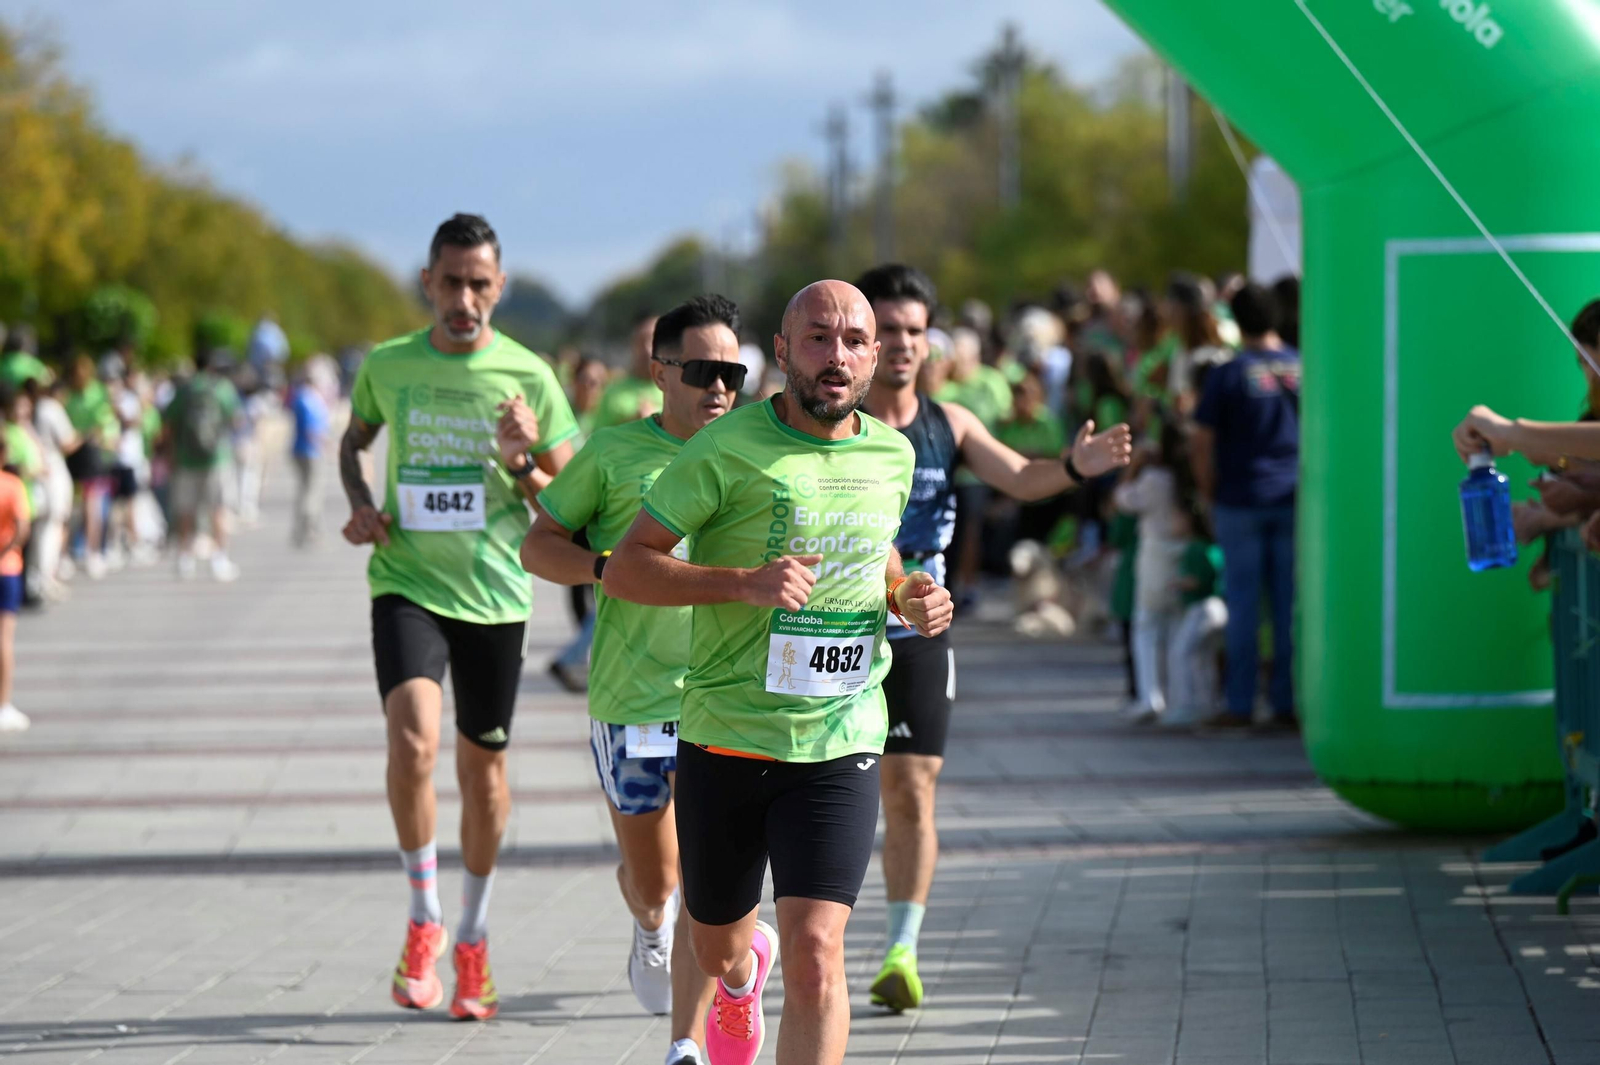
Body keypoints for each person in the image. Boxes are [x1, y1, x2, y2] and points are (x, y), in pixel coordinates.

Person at [604, 280, 954, 1065]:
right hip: (727, 735)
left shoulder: (891, 454)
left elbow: (878, 553)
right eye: (819, 338)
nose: (837, 356)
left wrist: (908, 593)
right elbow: (627, 567)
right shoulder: (723, 449)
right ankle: (739, 975)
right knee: (718, 943)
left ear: (875, 357)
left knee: (818, 953)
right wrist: (743, 582)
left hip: (839, 735)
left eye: (854, 341)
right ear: (784, 350)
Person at [854, 263, 1132, 1011]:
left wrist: (1075, 465)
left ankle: (901, 949)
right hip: (832, 634)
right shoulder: (833, 425)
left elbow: (1021, 477)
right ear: (863, 338)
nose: (903, 344)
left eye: (916, 330)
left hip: (918, 634)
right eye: (888, 330)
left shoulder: (949, 424)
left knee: (911, 787)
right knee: (827, 793)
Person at [339, 213, 577, 1022]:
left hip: (495, 595)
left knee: (484, 774)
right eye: (451, 282)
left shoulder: (530, 374)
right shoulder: (390, 364)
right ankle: (423, 915)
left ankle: (472, 933)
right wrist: (361, 502)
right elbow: (353, 442)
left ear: (498, 287)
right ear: (428, 283)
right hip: (406, 580)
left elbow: (572, 506)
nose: (465, 299)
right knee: (412, 741)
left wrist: (524, 459)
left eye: (479, 284)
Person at [521, 295, 745, 1065]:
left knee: (711, 879)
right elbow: (538, 545)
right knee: (658, 882)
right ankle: (651, 925)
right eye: (703, 370)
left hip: (726, 699)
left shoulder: (755, 451)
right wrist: (604, 567)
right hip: (633, 700)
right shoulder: (615, 453)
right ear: (661, 372)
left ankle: (699, 1027)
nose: (720, 388)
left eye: (734, 373)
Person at [1191, 282, 1300, 730]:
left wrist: (1207, 490)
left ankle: (1240, 703)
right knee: (1289, 606)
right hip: (1293, 499)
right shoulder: (1303, 366)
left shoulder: (1229, 373)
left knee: (1243, 607)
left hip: (1240, 499)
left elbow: (1202, 440)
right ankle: (1286, 702)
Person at [1113, 417, 1188, 724]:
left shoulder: (1155, 479)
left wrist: (1132, 468)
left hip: (1156, 554)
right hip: (1185, 554)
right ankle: (1179, 698)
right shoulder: (1189, 476)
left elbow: (1122, 500)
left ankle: (1149, 697)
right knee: (1178, 628)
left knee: (1146, 626)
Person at [163, 350, 244, 582]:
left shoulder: (184, 389)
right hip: (216, 458)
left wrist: (170, 454)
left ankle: (185, 558)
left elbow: (168, 423)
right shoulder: (222, 388)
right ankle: (219, 558)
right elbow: (236, 419)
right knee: (218, 508)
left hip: (186, 458)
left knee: (186, 510)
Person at [1165, 502, 1227, 728]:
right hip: (1217, 607)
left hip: (1202, 607)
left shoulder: (1195, 548)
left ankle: (1187, 707)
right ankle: (1208, 706)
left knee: (1181, 654)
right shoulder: (1209, 545)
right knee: (1204, 658)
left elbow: (1197, 580)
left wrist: (1175, 583)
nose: (1171, 523)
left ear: (1189, 521)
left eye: (1176, 518)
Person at [63, 354, 118, 579]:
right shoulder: (69, 395)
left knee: (92, 506)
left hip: (90, 452)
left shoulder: (97, 393)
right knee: (71, 506)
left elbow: (103, 423)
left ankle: (92, 551)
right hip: (73, 450)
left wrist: (88, 435)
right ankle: (68, 553)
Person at [0, 432, 30, 731]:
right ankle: (4, 705)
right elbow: (22, 528)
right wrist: (7, 550)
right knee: (4, 640)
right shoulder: (12, 485)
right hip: (7, 568)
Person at [287, 365, 332, 547]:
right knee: (311, 493)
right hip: (310, 451)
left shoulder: (302, 396)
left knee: (305, 491)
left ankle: (302, 529)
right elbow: (311, 429)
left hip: (303, 450)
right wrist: (327, 445)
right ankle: (308, 529)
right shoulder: (309, 399)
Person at [594, 313, 664, 429]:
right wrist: (633, 424)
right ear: (632, 345)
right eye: (641, 341)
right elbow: (598, 436)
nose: (647, 349)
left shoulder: (677, 391)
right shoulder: (612, 393)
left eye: (653, 341)